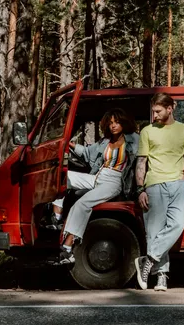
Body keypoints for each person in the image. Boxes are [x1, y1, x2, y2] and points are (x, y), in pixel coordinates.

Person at [50, 108, 139, 265]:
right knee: (63, 177)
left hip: (115, 180)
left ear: (124, 122)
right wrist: (69, 144)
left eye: (117, 122)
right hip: (98, 176)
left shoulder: (134, 140)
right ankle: (56, 217)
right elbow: (87, 152)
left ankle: (68, 249)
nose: (113, 126)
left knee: (82, 203)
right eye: (110, 123)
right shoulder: (105, 142)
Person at [134, 92, 184, 291]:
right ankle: (161, 275)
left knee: (177, 224)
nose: (154, 116)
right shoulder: (147, 131)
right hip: (154, 184)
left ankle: (148, 259)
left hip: (178, 184)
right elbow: (141, 162)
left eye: (158, 111)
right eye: (153, 111)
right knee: (154, 232)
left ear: (170, 108)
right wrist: (140, 189)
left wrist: (183, 181)